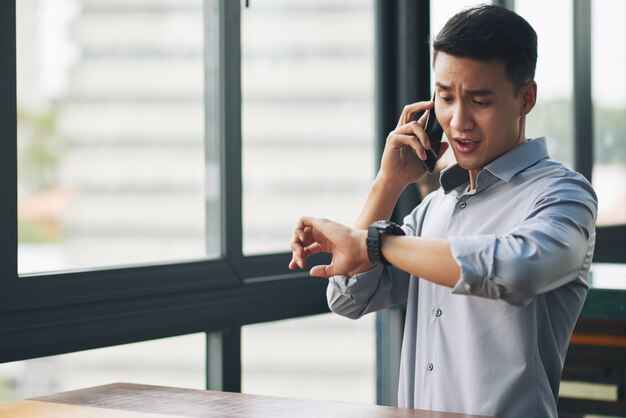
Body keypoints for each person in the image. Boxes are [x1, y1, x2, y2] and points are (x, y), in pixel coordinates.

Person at [289, 5, 597, 418]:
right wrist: (388, 183)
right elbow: (347, 298)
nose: (458, 120)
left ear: (526, 98)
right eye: (446, 98)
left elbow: (518, 267)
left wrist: (378, 243)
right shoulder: (435, 207)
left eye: (480, 100)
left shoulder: (563, 195)